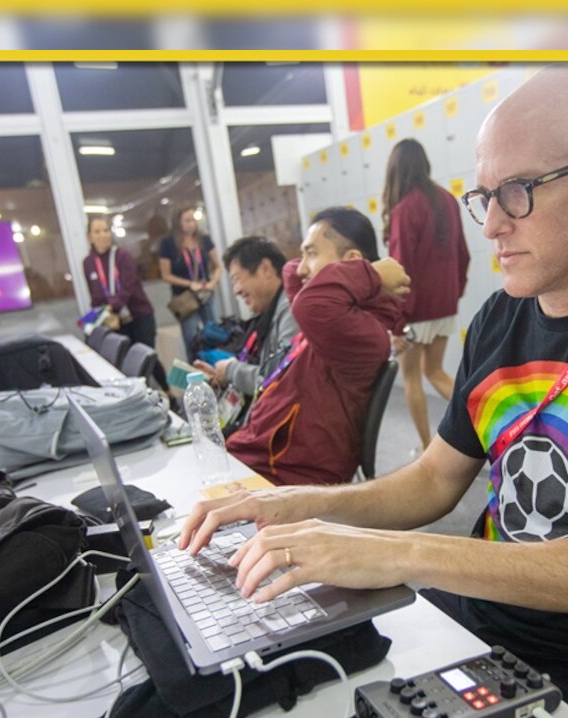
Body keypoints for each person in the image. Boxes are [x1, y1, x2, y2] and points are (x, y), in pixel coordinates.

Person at [179, 67, 568, 718]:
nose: (491, 225)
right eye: (485, 196)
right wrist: (289, 506)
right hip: (483, 623)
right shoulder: (500, 318)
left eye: (518, 192)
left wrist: (400, 555)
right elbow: (433, 481)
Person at [224, 207, 409, 485]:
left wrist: (368, 273)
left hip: (284, 475)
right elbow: (290, 273)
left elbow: (309, 303)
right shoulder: (340, 317)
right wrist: (366, 273)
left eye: (311, 253)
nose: (301, 267)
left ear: (352, 263)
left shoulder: (361, 331)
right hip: (262, 454)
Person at [383, 138, 471, 450]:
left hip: (414, 312)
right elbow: (464, 254)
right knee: (435, 371)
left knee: (413, 379)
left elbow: (400, 269)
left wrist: (397, 322)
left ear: (395, 170)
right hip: (444, 306)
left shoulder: (405, 208)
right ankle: (482, 427)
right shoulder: (447, 199)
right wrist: (453, 295)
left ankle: (425, 449)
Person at [195, 235, 300, 433]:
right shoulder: (268, 313)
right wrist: (223, 377)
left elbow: (279, 381)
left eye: (236, 279)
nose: (236, 291)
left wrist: (232, 370)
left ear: (266, 269)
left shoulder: (291, 310)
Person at [82, 215, 167, 387]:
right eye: (97, 231)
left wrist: (110, 307)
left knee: (146, 356)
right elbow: (95, 296)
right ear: (90, 236)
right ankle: (142, 395)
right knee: (128, 362)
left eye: (106, 230)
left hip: (138, 315)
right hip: (116, 321)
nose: (103, 235)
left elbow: (127, 289)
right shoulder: (88, 263)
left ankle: (168, 392)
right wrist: (95, 319)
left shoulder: (123, 256)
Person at [159, 205, 222, 358]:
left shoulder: (204, 240)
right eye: (187, 220)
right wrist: (189, 284)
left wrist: (213, 281)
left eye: (193, 220)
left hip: (205, 293)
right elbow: (166, 275)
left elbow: (218, 266)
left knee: (213, 333)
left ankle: (216, 367)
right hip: (185, 297)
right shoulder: (168, 243)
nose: (191, 224)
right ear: (178, 222)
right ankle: (195, 371)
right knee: (191, 338)